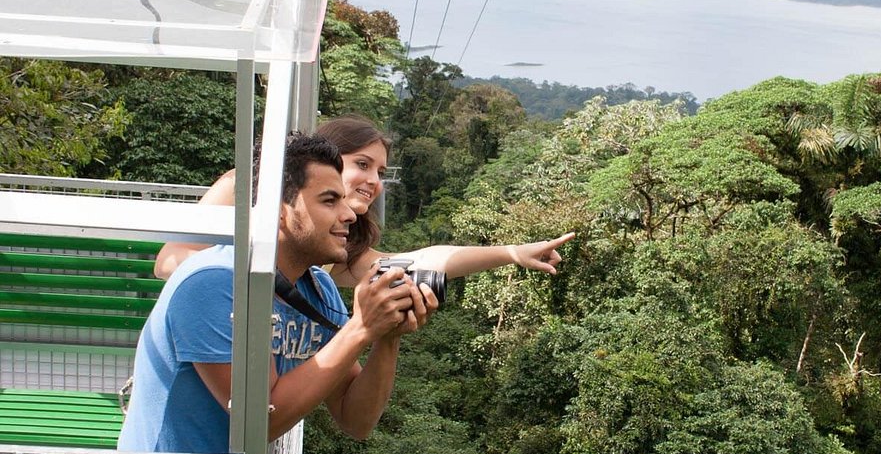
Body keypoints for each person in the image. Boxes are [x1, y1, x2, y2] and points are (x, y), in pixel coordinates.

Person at [116, 132, 436, 454]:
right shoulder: (216, 282)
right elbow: (258, 418)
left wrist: (386, 339)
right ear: (281, 209)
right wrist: (358, 328)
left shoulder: (318, 291)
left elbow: (356, 419)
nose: (349, 214)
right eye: (328, 200)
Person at [154, 115, 575, 285]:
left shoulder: (335, 241)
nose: (374, 181)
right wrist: (255, 276)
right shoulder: (243, 187)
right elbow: (168, 261)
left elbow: (418, 261)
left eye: (380, 172)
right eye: (362, 164)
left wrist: (510, 253)